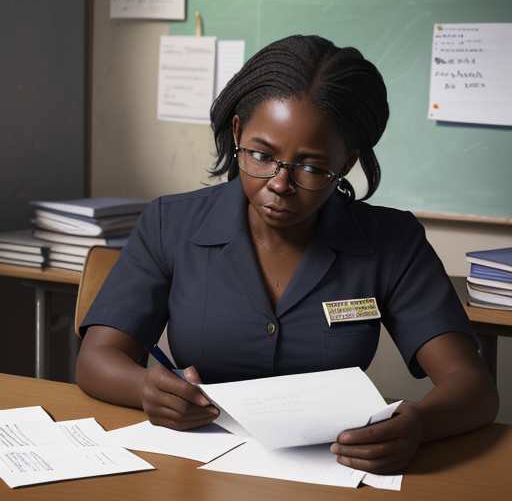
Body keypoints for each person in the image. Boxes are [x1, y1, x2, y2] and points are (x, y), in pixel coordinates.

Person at [76, 35, 498, 474]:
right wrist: (147, 388)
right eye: (261, 155)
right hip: (198, 471)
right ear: (238, 133)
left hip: (333, 472)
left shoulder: (391, 240)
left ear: (346, 163)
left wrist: (420, 424)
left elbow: (473, 387)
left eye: (312, 167)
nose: (279, 183)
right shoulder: (170, 223)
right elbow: (96, 359)